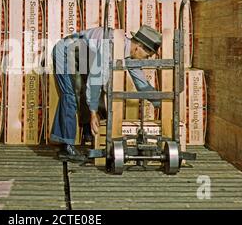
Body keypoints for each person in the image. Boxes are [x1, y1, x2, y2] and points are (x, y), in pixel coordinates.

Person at [50, 25, 162, 162]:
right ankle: (66, 147)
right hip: (67, 51)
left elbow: (142, 84)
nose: (148, 58)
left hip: (84, 57)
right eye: (148, 55)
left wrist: (162, 103)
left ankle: (89, 136)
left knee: (87, 92)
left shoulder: (128, 53)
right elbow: (96, 80)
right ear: (139, 46)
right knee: (70, 95)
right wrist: (93, 113)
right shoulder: (110, 45)